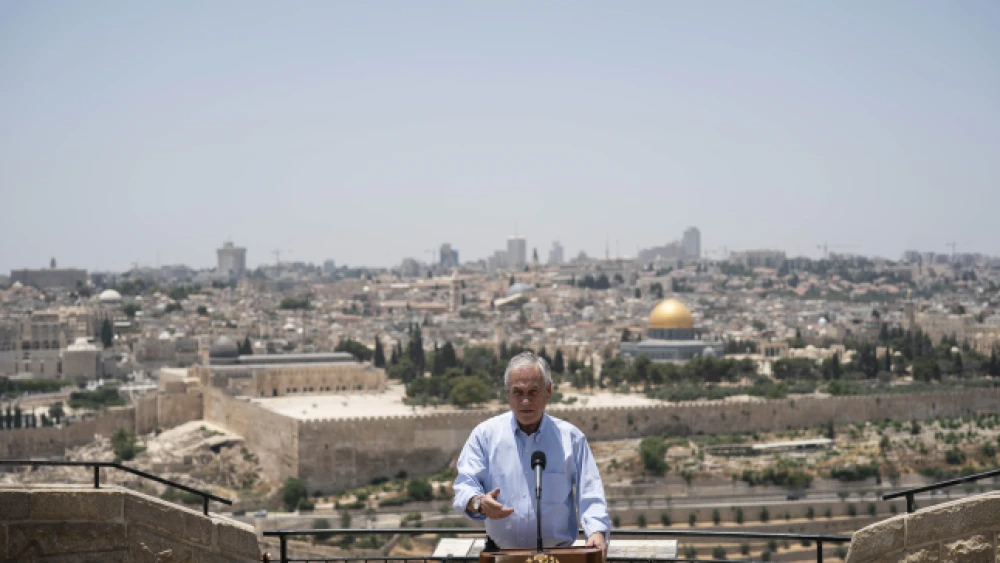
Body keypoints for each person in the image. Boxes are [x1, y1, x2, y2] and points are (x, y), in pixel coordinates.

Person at [453, 351, 611, 552]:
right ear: (507, 393)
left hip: (557, 557)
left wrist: (596, 532)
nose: (525, 401)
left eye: (533, 392)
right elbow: (464, 486)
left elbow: (590, 492)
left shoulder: (571, 439)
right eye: (518, 392)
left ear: (548, 390)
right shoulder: (485, 436)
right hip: (501, 557)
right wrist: (480, 503)